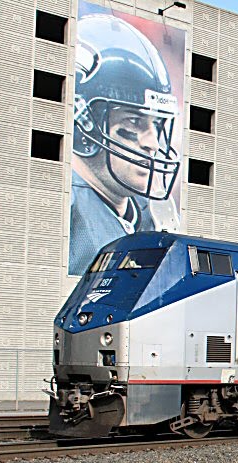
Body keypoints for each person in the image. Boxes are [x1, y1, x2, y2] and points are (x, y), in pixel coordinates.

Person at [69, 13, 181, 275]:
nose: (152, 142)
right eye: (134, 121)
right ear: (85, 121)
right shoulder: (71, 208)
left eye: (157, 124)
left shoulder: (148, 210)